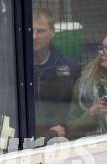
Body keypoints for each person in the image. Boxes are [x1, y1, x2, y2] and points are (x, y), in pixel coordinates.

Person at [33, 8, 81, 141]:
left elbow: (77, 110)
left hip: (64, 139)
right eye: (31, 30)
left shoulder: (71, 68)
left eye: (41, 31)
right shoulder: (15, 68)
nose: (34, 36)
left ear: (52, 32)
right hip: (28, 141)